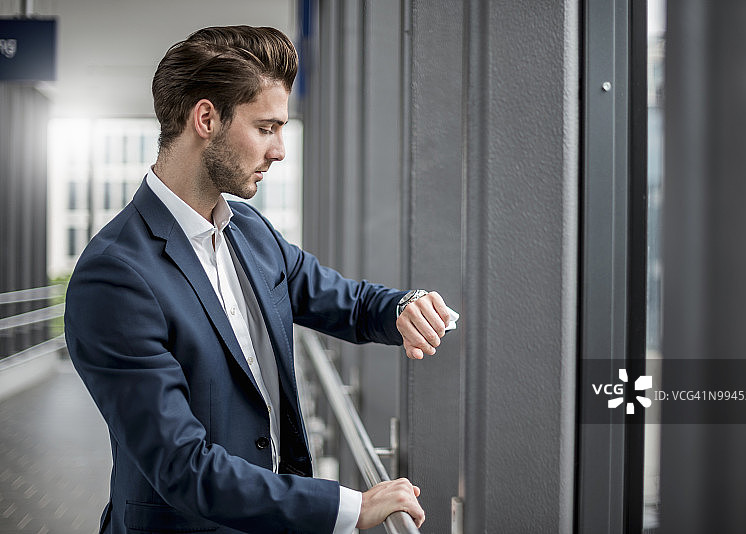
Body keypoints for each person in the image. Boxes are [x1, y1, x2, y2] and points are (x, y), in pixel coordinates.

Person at [64, 25, 455, 534]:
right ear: (206, 118)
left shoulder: (247, 229)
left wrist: (406, 305)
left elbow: (344, 300)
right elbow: (183, 467)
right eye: (266, 128)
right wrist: (350, 508)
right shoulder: (115, 276)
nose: (280, 151)